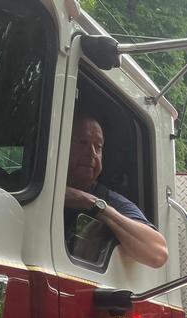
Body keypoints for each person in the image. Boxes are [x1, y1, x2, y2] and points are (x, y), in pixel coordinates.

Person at [64, 110, 168, 268]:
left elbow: (158, 253)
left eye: (98, 147)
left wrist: (94, 204)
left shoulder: (112, 201)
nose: (92, 153)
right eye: (82, 142)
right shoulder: (28, 185)